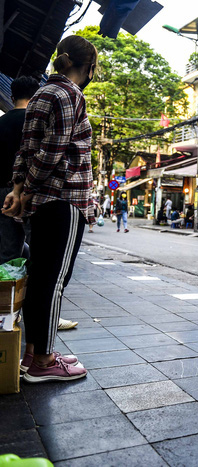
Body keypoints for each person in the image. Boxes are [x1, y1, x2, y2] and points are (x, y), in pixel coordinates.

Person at [2, 35, 99, 382]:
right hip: (65, 198)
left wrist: (19, 187)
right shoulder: (71, 95)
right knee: (53, 281)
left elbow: (25, 151)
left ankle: (33, 354)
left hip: (44, 202)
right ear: (87, 66)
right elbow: (53, 151)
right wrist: (26, 188)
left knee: (41, 277)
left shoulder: (42, 93)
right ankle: (43, 361)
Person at [0, 76, 39, 264]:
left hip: (2, 195)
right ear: (35, 98)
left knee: (7, 253)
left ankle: (9, 292)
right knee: (39, 250)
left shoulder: (2, 122)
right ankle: (33, 292)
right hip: (30, 193)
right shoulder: (36, 124)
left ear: (12, 96)